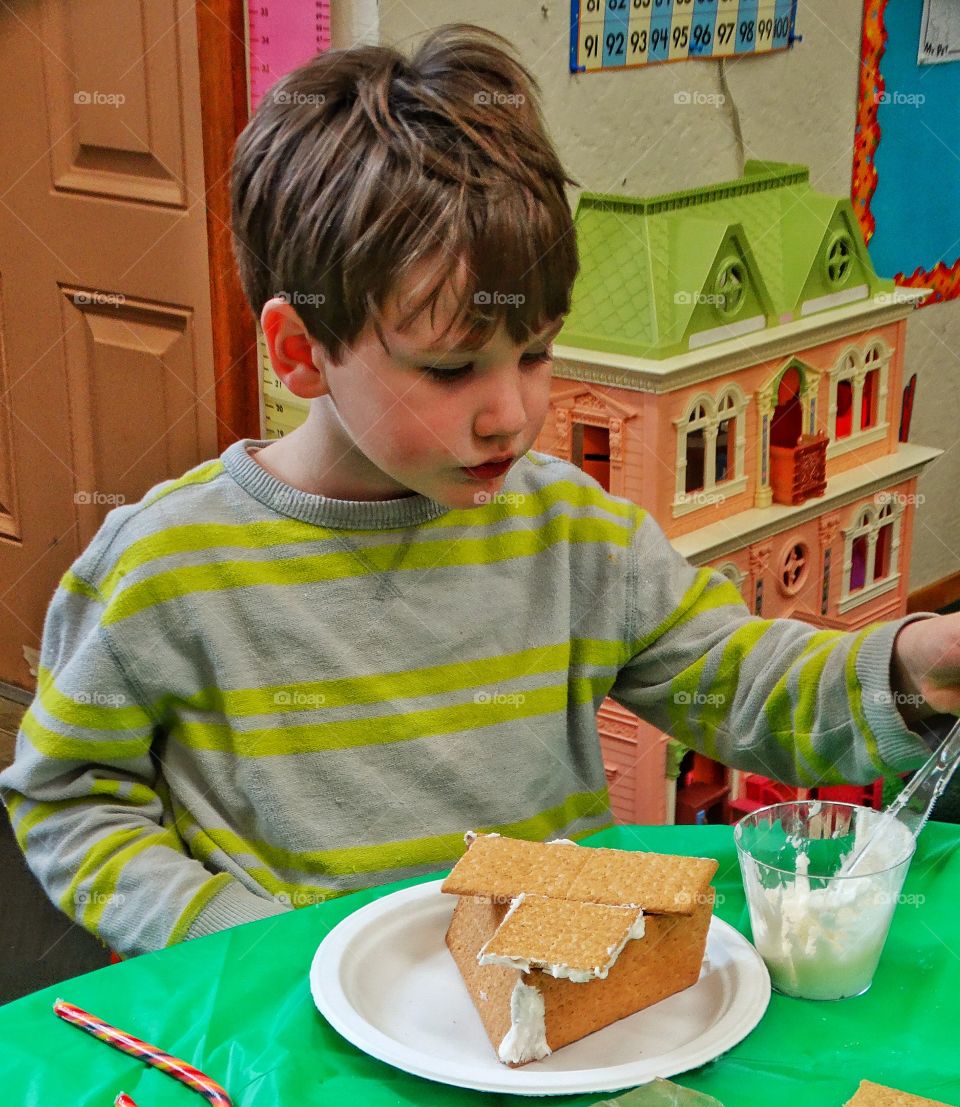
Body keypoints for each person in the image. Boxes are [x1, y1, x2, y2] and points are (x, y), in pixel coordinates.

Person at [1, 25, 958, 958]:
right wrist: (233, 943)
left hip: (558, 1017)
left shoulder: (578, 536)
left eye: (535, 354)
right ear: (302, 353)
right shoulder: (165, 564)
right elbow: (70, 798)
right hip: (300, 1057)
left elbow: (749, 687)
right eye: (453, 369)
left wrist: (920, 661)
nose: (511, 412)